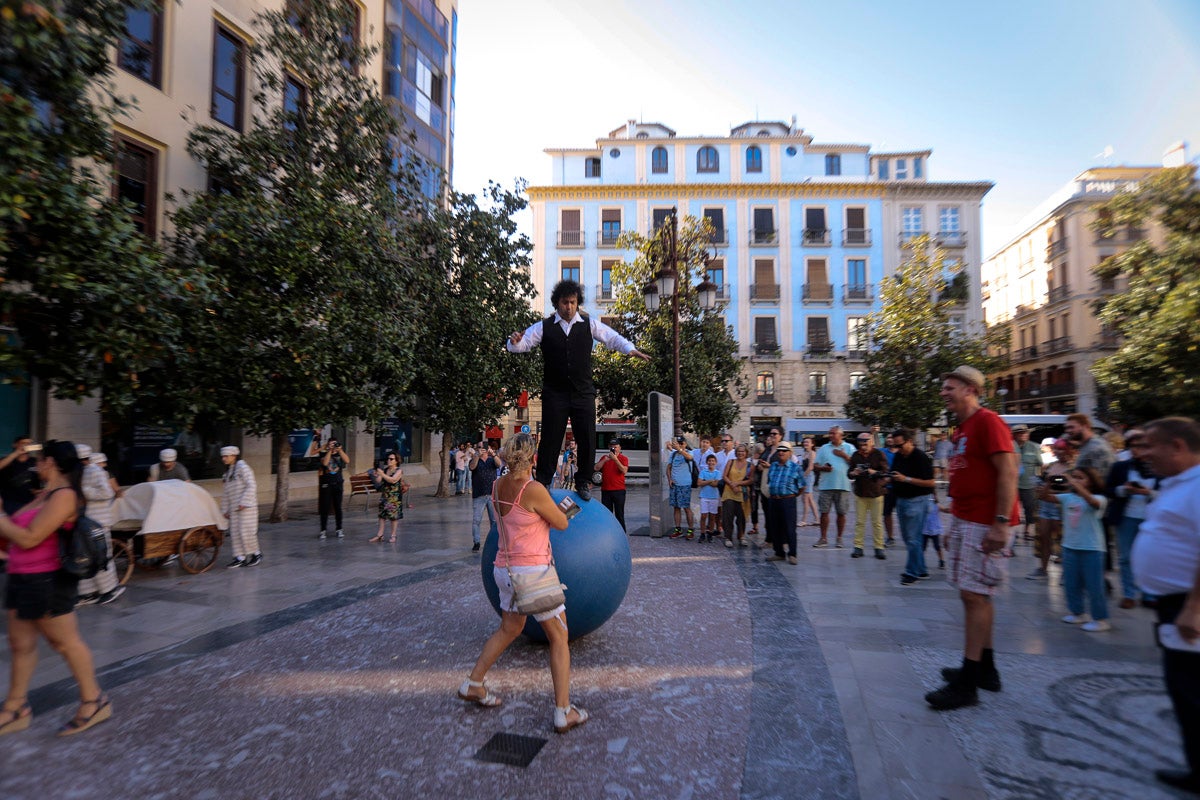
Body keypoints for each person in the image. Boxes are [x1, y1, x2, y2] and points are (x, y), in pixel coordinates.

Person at [457, 433, 588, 734]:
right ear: (532, 458)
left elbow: (518, 520)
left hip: (504, 570)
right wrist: (563, 510)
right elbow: (561, 523)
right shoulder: (533, 489)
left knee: (509, 628)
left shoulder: (497, 485)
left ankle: (474, 683)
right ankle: (563, 711)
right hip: (532, 574)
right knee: (559, 636)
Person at [0, 440, 111, 736]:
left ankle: (94, 700)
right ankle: (15, 707)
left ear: (49, 462)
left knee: (65, 643)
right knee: (20, 645)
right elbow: (14, 531)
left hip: (47, 580)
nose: (35, 466)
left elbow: (30, 538)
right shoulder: (44, 495)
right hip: (21, 576)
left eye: (39, 460)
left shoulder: (65, 496)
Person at [925, 365, 1019, 711]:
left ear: (970, 389)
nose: (943, 393)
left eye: (950, 387)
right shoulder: (962, 429)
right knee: (977, 595)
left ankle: (967, 683)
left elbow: (1008, 472)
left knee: (974, 596)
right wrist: (955, 523)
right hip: (968, 519)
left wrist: (1000, 523)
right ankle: (985, 669)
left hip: (986, 521)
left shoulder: (988, 422)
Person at [506, 279, 649, 502]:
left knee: (587, 437)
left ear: (577, 302)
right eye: (565, 302)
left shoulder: (589, 324)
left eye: (573, 302)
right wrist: (514, 342)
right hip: (555, 392)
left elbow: (612, 338)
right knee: (551, 437)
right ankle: (543, 480)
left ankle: (583, 481)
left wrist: (630, 349)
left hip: (583, 391)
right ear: (557, 303)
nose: (569, 307)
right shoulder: (543, 326)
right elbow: (521, 345)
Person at [1130, 417, 1200, 795]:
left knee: (1191, 689)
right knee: (1183, 688)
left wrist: (1194, 607)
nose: (1144, 454)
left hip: (1188, 604)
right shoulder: (1177, 484)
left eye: (1150, 445)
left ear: (1177, 446)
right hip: (1173, 603)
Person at [1047, 467, 1111, 631]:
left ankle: (1100, 619)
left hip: (1092, 548)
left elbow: (1093, 503)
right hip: (1070, 546)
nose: (1075, 480)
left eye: (1080, 477)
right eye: (1074, 477)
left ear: (1091, 481)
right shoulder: (1068, 497)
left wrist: (1074, 484)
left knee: (1094, 585)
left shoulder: (1099, 498)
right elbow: (1045, 497)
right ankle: (1077, 612)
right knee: (1071, 583)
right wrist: (1048, 482)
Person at [1106, 429, 1159, 609]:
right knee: (1126, 557)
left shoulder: (1159, 468)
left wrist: (1148, 492)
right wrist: (1124, 489)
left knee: (1149, 557)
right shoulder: (1120, 467)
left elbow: (1168, 493)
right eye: (1133, 446)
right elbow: (1109, 490)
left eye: (1141, 446)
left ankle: (1149, 593)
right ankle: (1129, 593)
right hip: (1126, 517)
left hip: (1151, 518)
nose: (1136, 450)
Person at [76, 447, 125, 606]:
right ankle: (87, 593)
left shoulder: (95, 471)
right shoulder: (79, 472)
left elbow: (107, 493)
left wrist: (85, 491)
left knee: (101, 556)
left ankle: (110, 590)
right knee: (85, 558)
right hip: (84, 522)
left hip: (99, 521)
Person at [890, 429, 936, 586]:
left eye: (900, 445)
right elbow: (894, 474)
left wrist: (906, 479)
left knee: (913, 538)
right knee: (908, 538)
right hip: (901, 499)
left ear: (910, 441)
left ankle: (912, 572)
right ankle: (921, 569)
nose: (898, 449)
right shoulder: (899, 456)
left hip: (917, 500)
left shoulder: (920, 457)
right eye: (895, 446)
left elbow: (930, 482)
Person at [1027, 439, 1076, 581]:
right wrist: (1042, 485)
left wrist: (1064, 485)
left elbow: (1075, 488)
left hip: (1061, 506)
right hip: (1045, 505)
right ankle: (1043, 569)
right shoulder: (1050, 466)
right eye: (1057, 449)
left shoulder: (1074, 468)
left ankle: (1066, 573)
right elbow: (1041, 483)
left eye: (1062, 449)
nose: (1059, 452)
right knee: (1044, 538)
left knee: (1063, 540)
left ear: (1069, 450)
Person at [849, 432, 890, 560]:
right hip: (860, 492)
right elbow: (849, 473)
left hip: (876, 492)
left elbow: (886, 472)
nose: (863, 446)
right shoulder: (855, 455)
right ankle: (858, 547)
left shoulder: (879, 454)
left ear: (871, 442)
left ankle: (879, 548)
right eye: (861, 443)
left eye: (865, 443)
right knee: (859, 522)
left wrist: (874, 472)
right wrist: (853, 473)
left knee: (877, 522)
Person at [813, 426, 855, 549]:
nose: (830, 435)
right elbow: (815, 465)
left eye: (833, 433)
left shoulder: (850, 448)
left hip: (843, 485)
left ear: (841, 435)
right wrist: (823, 468)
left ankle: (839, 538)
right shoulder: (824, 448)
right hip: (826, 485)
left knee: (841, 513)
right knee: (824, 512)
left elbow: (856, 464)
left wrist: (844, 455)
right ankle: (823, 538)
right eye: (830, 433)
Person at [220, 446, 261, 567]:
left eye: (226, 456)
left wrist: (244, 502)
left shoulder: (243, 468)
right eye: (223, 456)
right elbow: (226, 493)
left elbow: (251, 485)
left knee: (246, 531)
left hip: (247, 508)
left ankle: (256, 554)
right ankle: (240, 557)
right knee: (235, 533)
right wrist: (225, 510)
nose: (224, 459)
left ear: (234, 456)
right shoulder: (228, 473)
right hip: (234, 508)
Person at [766, 442, 804, 564]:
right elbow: (769, 481)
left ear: (790, 453)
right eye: (779, 450)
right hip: (774, 500)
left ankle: (792, 554)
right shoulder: (773, 466)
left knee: (789, 527)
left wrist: (791, 495)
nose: (781, 452)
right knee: (775, 527)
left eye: (784, 450)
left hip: (788, 500)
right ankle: (779, 553)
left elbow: (802, 486)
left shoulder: (796, 467)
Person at [753, 429, 784, 549]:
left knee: (777, 514)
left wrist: (769, 466)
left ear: (781, 436)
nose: (772, 436)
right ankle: (769, 539)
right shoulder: (768, 450)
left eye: (775, 434)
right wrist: (760, 466)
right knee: (767, 513)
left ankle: (780, 539)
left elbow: (784, 466)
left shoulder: (783, 450)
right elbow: (760, 462)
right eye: (771, 434)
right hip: (765, 485)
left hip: (777, 486)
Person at [470, 441, 502, 551]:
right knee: (476, 520)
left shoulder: (491, 460)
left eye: (483, 447)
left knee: (494, 520)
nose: (481, 449)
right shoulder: (474, 459)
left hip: (492, 494)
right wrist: (477, 456)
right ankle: (476, 542)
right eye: (479, 447)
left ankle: (494, 542)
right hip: (479, 495)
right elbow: (472, 467)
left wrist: (493, 454)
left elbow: (499, 464)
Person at [1013, 425, 1042, 541]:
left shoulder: (1034, 447)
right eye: (1019, 433)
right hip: (1013, 484)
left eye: (1024, 432)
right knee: (1012, 509)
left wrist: (1037, 480)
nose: (1022, 435)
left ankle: (1027, 530)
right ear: (1014, 435)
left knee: (1029, 508)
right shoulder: (1010, 445)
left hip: (1028, 484)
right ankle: (1014, 532)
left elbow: (1040, 464)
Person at [721, 444, 753, 548]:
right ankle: (728, 537)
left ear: (746, 453)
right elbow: (724, 476)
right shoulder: (731, 462)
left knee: (741, 517)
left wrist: (738, 483)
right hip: (729, 492)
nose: (740, 453)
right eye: (739, 451)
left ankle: (741, 536)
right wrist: (732, 484)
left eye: (743, 451)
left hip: (742, 493)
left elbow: (751, 480)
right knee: (728, 516)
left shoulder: (750, 465)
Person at [594, 440, 629, 532]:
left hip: (619, 490)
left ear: (619, 448)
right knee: (607, 514)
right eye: (612, 447)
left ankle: (621, 532)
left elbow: (624, 470)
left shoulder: (623, 458)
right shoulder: (604, 457)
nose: (614, 448)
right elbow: (596, 468)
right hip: (606, 490)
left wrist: (615, 459)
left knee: (619, 514)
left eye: (615, 447)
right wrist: (604, 460)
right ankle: (608, 532)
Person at [317, 439, 349, 540]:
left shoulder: (340, 453)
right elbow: (325, 463)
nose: (334, 445)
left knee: (338, 507)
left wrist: (340, 450)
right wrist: (330, 451)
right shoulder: (324, 454)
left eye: (335, 443)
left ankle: (339, 529)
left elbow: (347, 461)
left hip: (338, 483)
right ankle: (323, 530)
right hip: (327, 484)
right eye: (331, 444)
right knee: (325, 508)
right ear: (328, 445)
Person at [665, 436, 696, 539]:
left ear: (685, 444)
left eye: (681, 443)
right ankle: (678, 529)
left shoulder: (689, 452)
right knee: (676, 507)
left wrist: (680, 449)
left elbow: (690, 458)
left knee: (686, 507)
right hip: (675, 485)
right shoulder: (673, 454)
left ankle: (690, 529)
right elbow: (668, 468)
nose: (680, 445)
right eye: (678, 443)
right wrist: (670, 479)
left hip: (685, 485)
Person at [0, 436, 40, 515]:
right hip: (10, 503)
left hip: (30, 503)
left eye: (29, 443)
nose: (26, 446)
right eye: (23, 443)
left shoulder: (34, 461)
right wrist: (17, 453)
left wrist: (37, 491)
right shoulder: (8, 460)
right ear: (15, 445)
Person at [370, 452, 404, 544]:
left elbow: (393, 480)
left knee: (393, 517)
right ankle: (380, 535)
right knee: (382, 516)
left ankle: (393, 535)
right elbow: (378, 481)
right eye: (388, 459)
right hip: (385, 495)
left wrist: (382, 474)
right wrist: (377, 474)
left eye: (391, 459)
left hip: (394, 497)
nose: (389, 460)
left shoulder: (399, 471)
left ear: (396, 461)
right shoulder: (385, 470)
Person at [697, 454, 722, 543]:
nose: (711, 462)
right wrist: (711, 480)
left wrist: (705, 482)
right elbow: (699, 483)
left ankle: (710, 533)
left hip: (714, 497)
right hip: (704, 496)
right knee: (703, 516)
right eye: (709, 461)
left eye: (713, 461)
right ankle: (702, 533)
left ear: (715, 462)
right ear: (707, 462)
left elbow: (716, 484)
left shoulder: (718, 473)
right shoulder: (703, 472)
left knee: (712, 516)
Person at [798, 437, 819, 526]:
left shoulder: (812, 453)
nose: (805, 443)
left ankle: (804, 520)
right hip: (805, 476)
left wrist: (803, 477)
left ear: (812, 444)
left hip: (808, 477)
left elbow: (810, 467)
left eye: (808, 442)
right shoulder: (805, 453)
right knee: (810, 499)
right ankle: (817, 519)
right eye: (804, 442)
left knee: (805, 499)